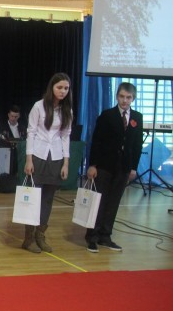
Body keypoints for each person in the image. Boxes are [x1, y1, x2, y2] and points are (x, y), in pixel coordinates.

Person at [84, 82, 143, 253]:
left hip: (123, 167)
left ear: (133, 99)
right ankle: (92, 236)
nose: (125, 100)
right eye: (122, 96)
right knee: (99, 201)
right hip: (104, 165)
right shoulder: (107, 115)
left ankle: (105, 235)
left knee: (113, 202)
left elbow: (137, 145)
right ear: (117, 96)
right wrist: (92, 165)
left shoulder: (137, 117)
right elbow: (97, 141)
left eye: (128, 97)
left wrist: (133, 167)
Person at [23, 73, 73, 253]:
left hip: (56, 157)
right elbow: (31, 132)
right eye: (59, 87)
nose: (62, 91)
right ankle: (28, 238)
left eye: (66, 88)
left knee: (48, 199)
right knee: (33, 197)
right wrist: (29, 159)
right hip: (38, 154)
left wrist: (66, 163)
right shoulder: (39, 106)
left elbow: (66, 136)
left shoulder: (67, 110)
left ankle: (40, 235)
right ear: (52, 87)